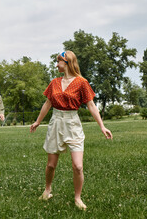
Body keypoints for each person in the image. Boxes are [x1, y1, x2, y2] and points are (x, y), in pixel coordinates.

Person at [30, 51, 113, 211]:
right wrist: (37, 122)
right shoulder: (54, 82)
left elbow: (91, 105)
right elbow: (47, 104)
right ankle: (47, 190)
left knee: (78, 166)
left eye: (58, 61)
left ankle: (77, 198)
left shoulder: (82, 82)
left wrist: (102, 126)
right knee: (51, 165)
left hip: (73, 124)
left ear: (66, 61)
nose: (56, 64)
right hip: (56, 122)